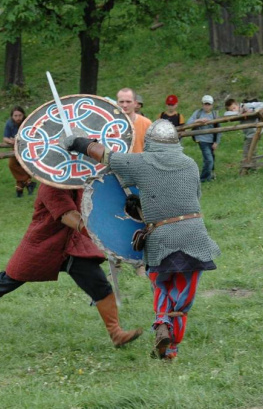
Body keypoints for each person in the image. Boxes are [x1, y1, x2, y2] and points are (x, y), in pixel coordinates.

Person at [66, 119, 221, 361]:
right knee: (182, 296)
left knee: (160, 284)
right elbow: (191, 199)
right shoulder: (190, 164)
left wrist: (77, 142)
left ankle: (161, 323)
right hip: (194, 236)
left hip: (160, 239)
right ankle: (170, 350)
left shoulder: (141, 162)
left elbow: (105, 155)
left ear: (149, 143)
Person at [0, 183, 142, 348]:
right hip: (44, 243)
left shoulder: (79, 181)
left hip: (74, 244)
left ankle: (116, 333)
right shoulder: (50, 187)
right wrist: (103, 237)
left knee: (99, 284)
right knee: (9, 279)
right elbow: (69, 216)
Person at [3, 106, 36, 197]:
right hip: (15, 148)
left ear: (23, 115)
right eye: (15, 116)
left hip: (27, 148)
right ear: (12, 116)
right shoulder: (9, 123)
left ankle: (19, 189)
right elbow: (5, 138)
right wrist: (11, 141)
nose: (18, 118)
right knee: (12, 164)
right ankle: (28, 183)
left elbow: (35, 135)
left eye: (20, 115)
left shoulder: (28, 122)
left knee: (23, 166)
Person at [187, 95, 220, 182]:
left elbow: (219, 129)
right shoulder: (198, 113)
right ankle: (203, 178)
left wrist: (216, 142)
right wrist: (198, 121)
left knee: (210, 159)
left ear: (212, 105)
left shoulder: (214, 114)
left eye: (208, 104)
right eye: (205, 104)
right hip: (201, 139)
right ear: (202, 104)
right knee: (209, 159)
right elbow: (188, 123)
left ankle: (209, 176)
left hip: (211, 140)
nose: (207, 106)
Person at [116, 88, 151, 153]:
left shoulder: (146, 123)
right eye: (121, 102)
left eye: (128, 101)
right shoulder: (110, 123)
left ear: (135, 103)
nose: (124, 105)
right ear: (117, 103)